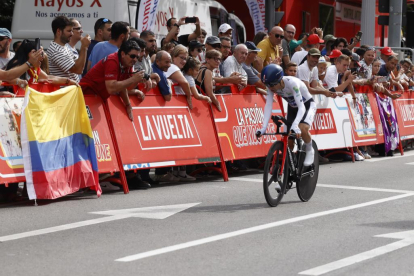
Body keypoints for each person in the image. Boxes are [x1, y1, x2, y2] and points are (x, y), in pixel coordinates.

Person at [257, 64, 317, 167]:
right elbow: (268, 105)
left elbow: (301, 107)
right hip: (292, 108)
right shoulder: (271, 84)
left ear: (280, 80)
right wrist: (263, 127)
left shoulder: (292, 83)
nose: (271, 88)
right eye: (268, 85)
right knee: (288, 140)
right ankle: (288, 171)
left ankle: (309, 149)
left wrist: (295, 125)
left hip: (307, 105)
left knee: (302, 128)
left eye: (272, 85)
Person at [81, 40, 146, 119]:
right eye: (132, 56)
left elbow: (124, 87)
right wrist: (133, 79)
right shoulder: (112, 61)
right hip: (86, 95)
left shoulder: (127, 63)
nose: (135, 59)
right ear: (123, 54)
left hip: (97, 97)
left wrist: (128, 105)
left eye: (137, 57)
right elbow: (111, 88)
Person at [6, 39, 78, 86]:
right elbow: (8, 77)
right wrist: (19, 81)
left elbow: (47, 77)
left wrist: (68, 81)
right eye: (37, 53)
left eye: (42, 53)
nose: (42, 57)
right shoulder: (18, 64)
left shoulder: (34, 68)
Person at [47, 16, 91, 83]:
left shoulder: (64, 46)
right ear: (58, 31)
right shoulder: (56, 50)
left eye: (72, 30)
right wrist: (84, 47)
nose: (72, 34)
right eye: (69, 31)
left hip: (69, 91)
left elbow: (77, 64)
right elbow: (78, 70)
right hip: (63, 91)